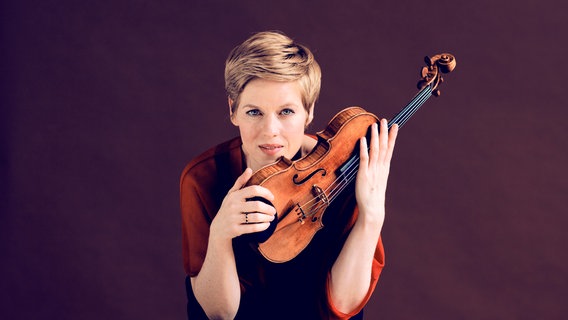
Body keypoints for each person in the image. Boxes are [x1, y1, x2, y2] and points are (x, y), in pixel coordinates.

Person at [180, 31, 399, 319]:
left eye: (286, 111)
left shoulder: (344, 168)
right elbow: (219, 314)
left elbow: (344, 305)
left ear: (308, 112)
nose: (271, 130)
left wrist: (371, 217)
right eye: (254, 112)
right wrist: (220, 235)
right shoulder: (203, 177)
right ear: (233, 111)